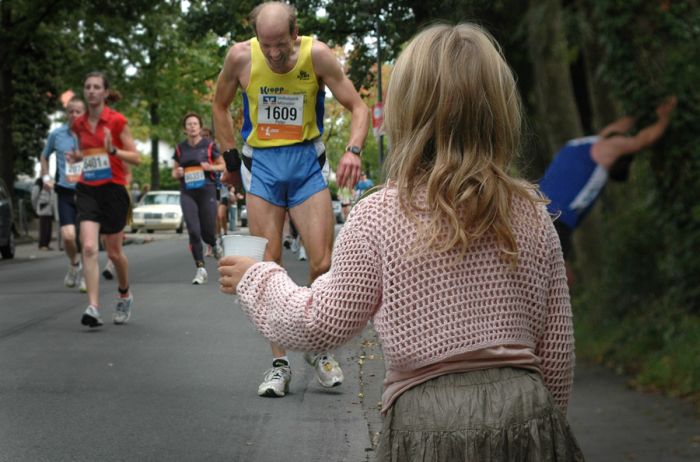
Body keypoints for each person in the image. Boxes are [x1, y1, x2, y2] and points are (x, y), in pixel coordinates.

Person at [219, 23, 585, 460]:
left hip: (428, 423)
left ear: (407, 111)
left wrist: (257, 277)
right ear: (502, 108)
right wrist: (544, 430)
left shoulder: (380, 215)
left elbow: (321, 322)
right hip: (529, 417)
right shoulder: (532, 213)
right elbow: (557, 351)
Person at [213, 1, 369, 397]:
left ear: (294, 33)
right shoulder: (241, 57)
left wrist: (353, 149)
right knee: (269, 265)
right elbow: (220, 104)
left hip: (305, 163)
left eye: (281, 45)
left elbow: (358, 106)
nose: (275, 54)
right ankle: (279, 364)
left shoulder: (316, 54)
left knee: (322, 262)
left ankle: (317, 349)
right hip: (261, 166)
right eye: (267, 46)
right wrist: (231, 162)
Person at [539, 96, 677, 284]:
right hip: (557, 216)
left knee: (553, 272)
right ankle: (557, 312)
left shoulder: (593, 140)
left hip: (537, 207)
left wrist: (645, 110)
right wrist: (664, 119)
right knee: (561, 279)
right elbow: (641, 141)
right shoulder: (609, 151)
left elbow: (623, 125)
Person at [70, 71, 141, 327]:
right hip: (88, 188)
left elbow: (136, 157)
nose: (91, 91)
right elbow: (90, 152)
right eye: (87, 87)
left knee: (114, 252)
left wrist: (113, 150)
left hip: (113, 189)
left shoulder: (117, 121)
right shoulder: (78, 124)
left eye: (96, 87)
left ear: (104, 92)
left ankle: (124, 293)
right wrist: (79, 157)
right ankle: (94, 306)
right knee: (89, 247)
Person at [172, 112, 225, 285]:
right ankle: (200, 269)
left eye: (195, 124)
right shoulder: (180, 148)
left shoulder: (209, 146)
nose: (192, 127)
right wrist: (178, 172)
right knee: (193, 231)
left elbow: (222, 165)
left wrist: (210, 167)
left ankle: (214, 244)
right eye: (189, 124)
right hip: (188, 192)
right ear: (185, 129)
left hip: (206, 191)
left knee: (207, 231)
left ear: (200, 127)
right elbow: (174, 171)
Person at [40, 96, 87, 287]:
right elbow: (44, 157)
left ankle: (86, 273)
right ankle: (74, 264)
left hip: (87, 193)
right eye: (71, 111)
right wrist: (46, 177)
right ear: (66, 113)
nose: (74, 114)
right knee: (68, 236)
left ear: (84, 113)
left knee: (85, 238)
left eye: (78, 111)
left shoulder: (90, 133)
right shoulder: (57, 134)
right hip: (65, 192)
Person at [31, 177, 55, 250]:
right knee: (44, 228)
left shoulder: (50, 179)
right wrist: (36, 208)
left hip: (49, 210)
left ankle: (47, 244)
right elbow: (34, 197)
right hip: (43, 209)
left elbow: (52, 194)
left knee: (49, 229)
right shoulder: (39, 182)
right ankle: (42, 244)